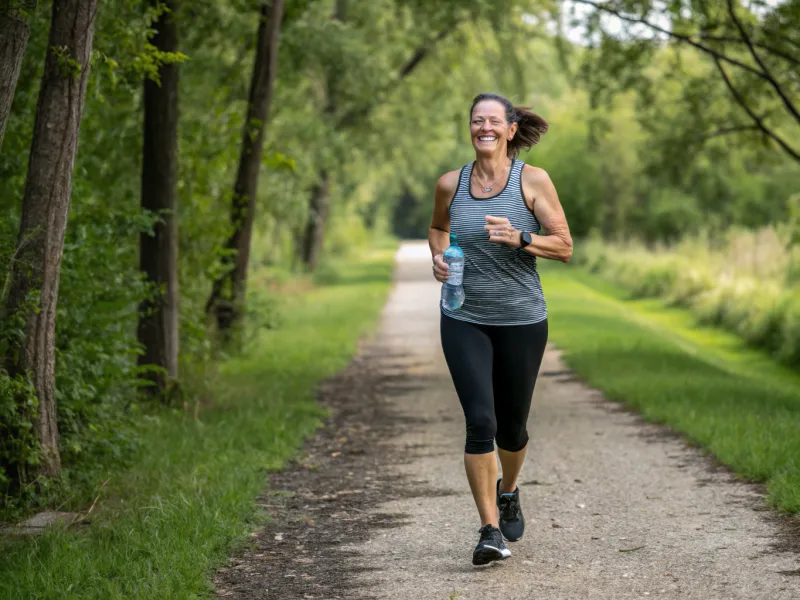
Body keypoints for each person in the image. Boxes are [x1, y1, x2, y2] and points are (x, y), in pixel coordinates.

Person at [428, 92, 573, 566]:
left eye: (493, 121)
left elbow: (565, 246)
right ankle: (489, 530)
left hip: (521, 319)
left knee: (512, 428)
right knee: (481, 422)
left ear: (511, 130)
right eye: (476, 121)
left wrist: (522, 237)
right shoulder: (451, 183)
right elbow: (437, 229)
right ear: (469, 128)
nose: (484, 128)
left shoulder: (532, 180)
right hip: (464, 316)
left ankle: (508, 489)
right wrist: (438, 257)